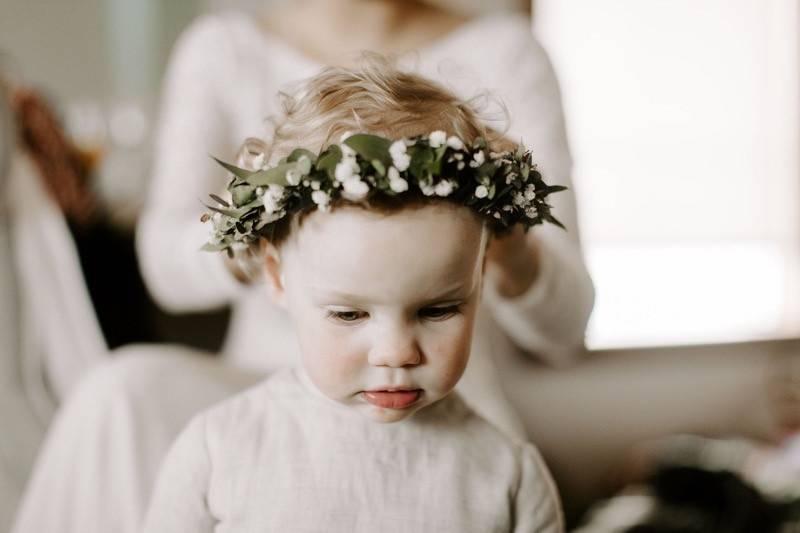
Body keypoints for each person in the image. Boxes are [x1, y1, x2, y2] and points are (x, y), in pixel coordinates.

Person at [13, 2, 594, 532]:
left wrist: (509, 242)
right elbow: (165, 269)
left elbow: (565, 331)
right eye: (347, 310)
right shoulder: (222, 48)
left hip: (443, 392)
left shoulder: (506, 50)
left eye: (442, 305)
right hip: (263, 378)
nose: (389, 346)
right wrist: (273, 229)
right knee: (122, 392)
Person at [142, 58, 565, 532]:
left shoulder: (507, 475)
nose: (397, 352)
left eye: (438, 309)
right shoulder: (219, 450)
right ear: (277, 279)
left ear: (480, 275)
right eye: (348, 314)